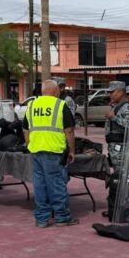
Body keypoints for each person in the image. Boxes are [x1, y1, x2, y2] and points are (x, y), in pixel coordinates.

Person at [24, 79, 78, 228]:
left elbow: (25, 129)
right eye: (58, 89)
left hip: (36, 151)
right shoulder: (60, 105)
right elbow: (69, 130)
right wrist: (72, 151)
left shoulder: (32, 105)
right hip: (54, 151)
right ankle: (62, 217)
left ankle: (42, 219)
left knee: (40, 186)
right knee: (56, 184)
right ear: (55, 90)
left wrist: (29, 145)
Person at [103, 81, 129, 216]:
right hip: (115, 150)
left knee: (122, 178)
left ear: (121, 92)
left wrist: (114, 118)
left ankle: (123, 208)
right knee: (117, 178)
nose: (110, 94)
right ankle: (115, 206)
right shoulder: (117, 106)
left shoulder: (126, 107)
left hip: (122, 149)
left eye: (113, 92)